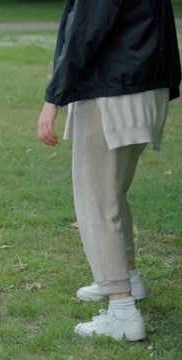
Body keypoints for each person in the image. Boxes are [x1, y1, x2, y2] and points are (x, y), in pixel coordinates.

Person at [37, 0, 181, 341]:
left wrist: (53, 98)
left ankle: (122, 311)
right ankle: (126, 278)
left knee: (96, 202)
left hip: (113, 92)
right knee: (111, 194)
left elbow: (84, 33)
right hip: (146, 88)